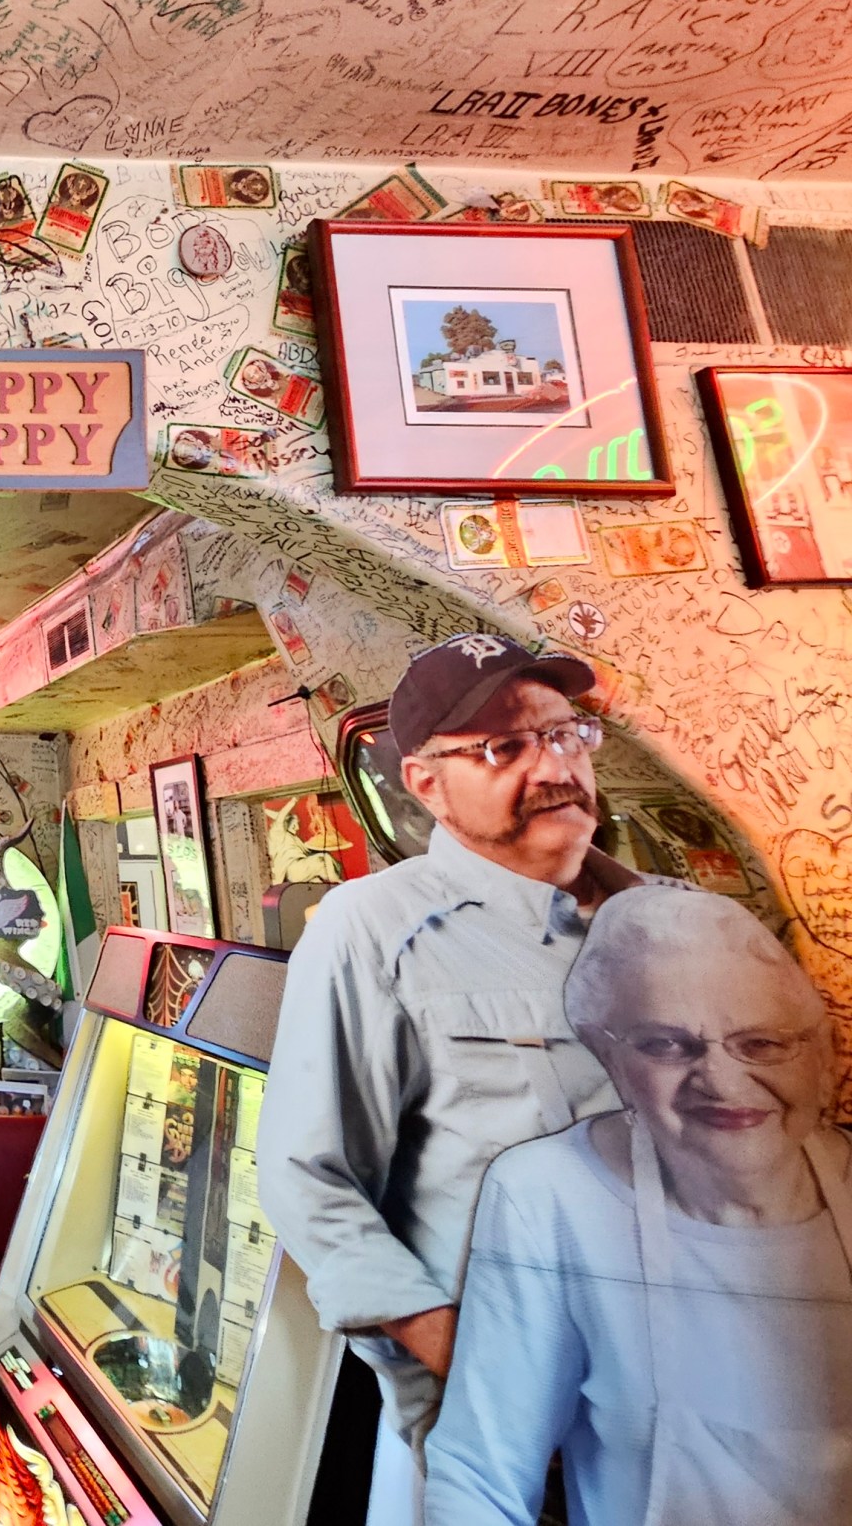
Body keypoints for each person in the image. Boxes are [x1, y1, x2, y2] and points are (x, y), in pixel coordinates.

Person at [259, 634, 682, 1523]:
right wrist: (458, 1343)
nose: (553, 766)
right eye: (503, 748)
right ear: (425, 783)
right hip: (528, 1430)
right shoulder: (370, 929)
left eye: (565, 735)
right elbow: (309, 1176)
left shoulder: (674, 924)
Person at [427, 889, 852, 1524]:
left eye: (761, 1044)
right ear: (610, 1058)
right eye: (666, 1045)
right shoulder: (550, 1195)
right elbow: (480, 1479)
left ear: (819, 1059)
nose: (722, 1082)